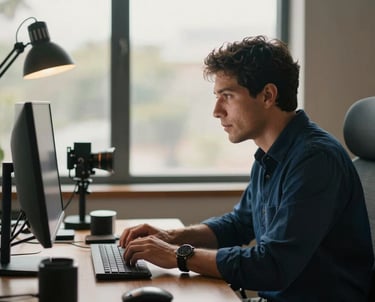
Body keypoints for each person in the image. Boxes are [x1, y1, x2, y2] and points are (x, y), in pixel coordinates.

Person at [119, 35, 374, 301]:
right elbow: (238, 225)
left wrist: (177, 255)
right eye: (217, 97)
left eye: (227, 96)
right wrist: (170, 237)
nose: (217, 111)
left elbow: (272, 265)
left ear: (267, 96)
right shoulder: (269, 155)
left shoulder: (316, 160)